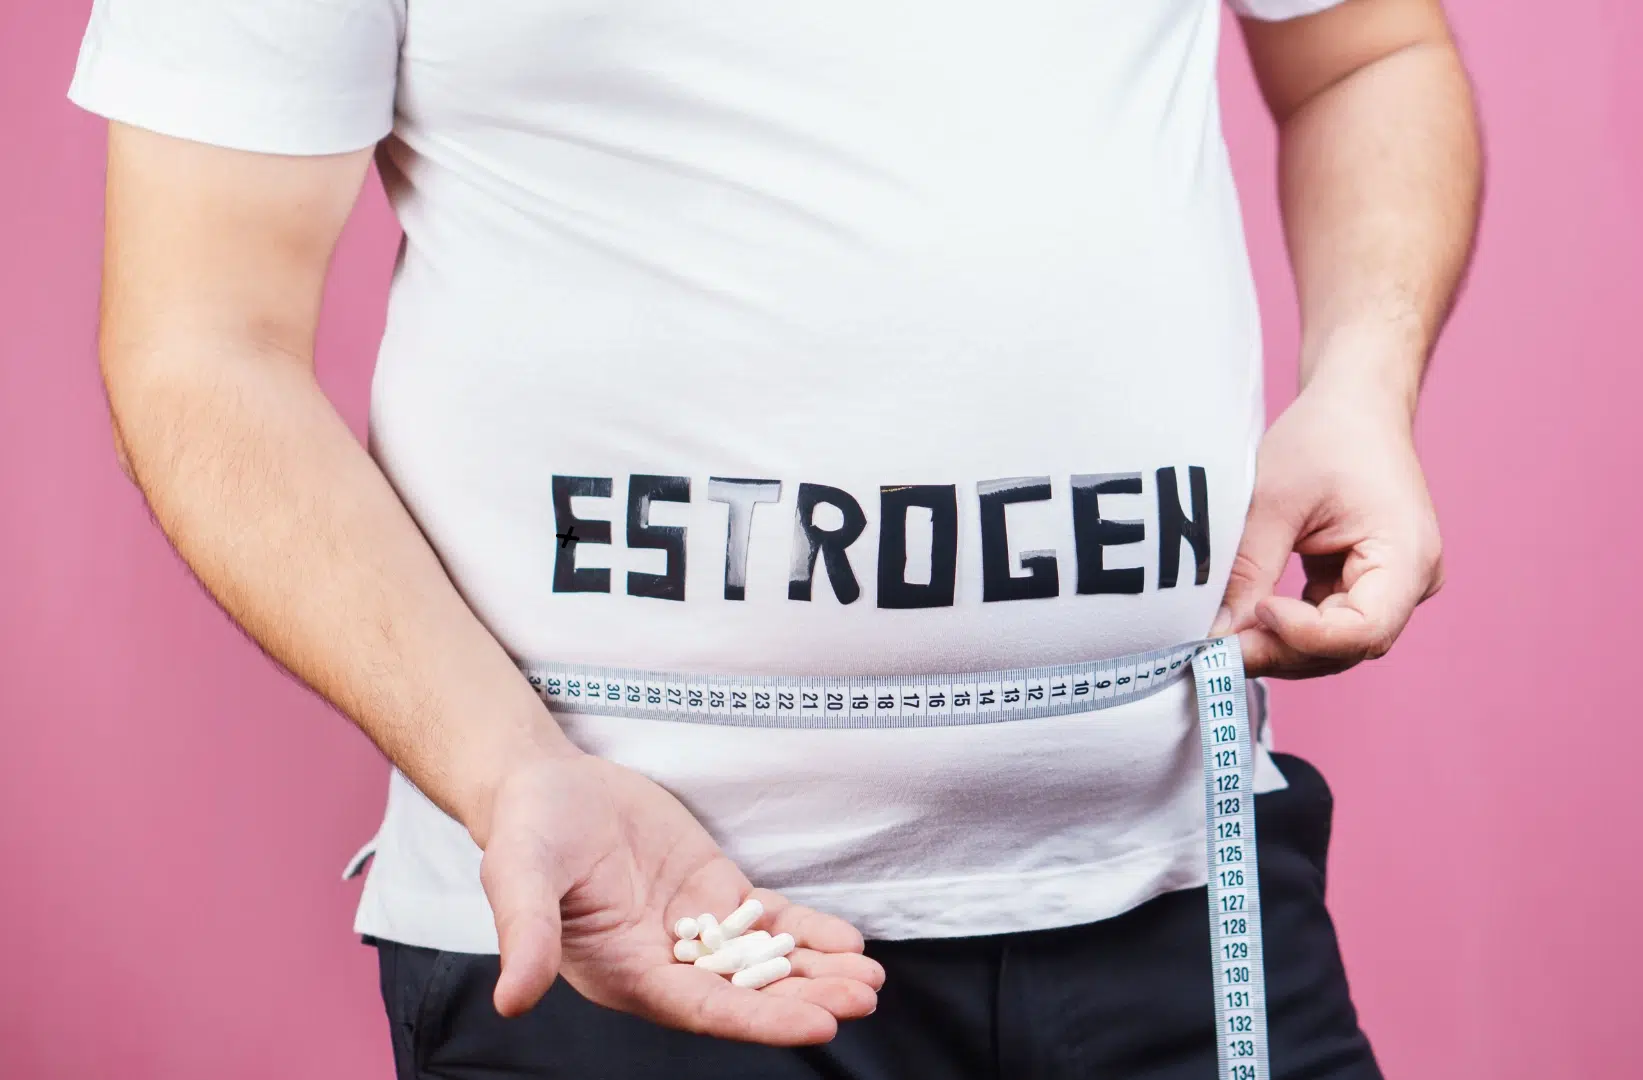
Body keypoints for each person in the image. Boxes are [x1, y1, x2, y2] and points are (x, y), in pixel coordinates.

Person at [69, 0, 1479, 1073]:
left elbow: (1368, 51)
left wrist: (1365, 377)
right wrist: (508, 775)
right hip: (617, 929)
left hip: (1177, 891)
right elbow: (202, 344)